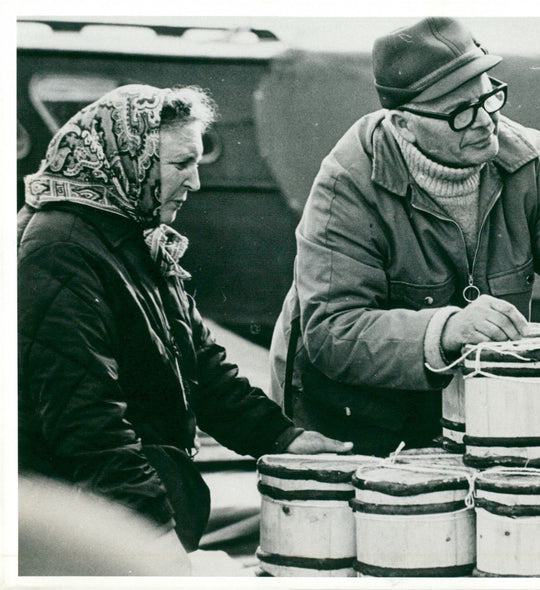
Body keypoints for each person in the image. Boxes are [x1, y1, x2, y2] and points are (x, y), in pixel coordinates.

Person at [268, 17, 540, 457]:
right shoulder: (347, 184)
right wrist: (447, 327)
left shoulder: (530, 160)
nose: (484, 122)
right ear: (403, 125)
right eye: (461, 112)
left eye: (489, 97)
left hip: (477, 406)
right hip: (353, 418)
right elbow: (333, 330)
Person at [17, 84, 352, 558]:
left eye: (197, 162)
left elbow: (204, 369)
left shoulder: (135, 236)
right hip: (78, 524)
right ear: (127, 158)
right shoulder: (60, 251)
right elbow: (87, 422)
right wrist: (152, 534)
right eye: (180, 164)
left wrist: (283, 438)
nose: (195, 182)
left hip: (115, 505)